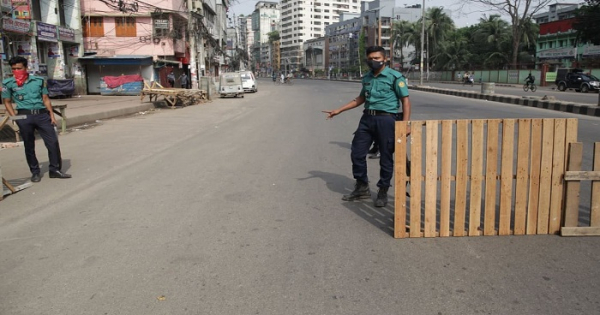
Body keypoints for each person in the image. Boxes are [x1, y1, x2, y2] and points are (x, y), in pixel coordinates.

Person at [322, 46, 411, 207]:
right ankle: (362, 186)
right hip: (367, 118)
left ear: (385, 59)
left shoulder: (395, 77)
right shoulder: (368, 77)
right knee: (356, 153)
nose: (373, 61)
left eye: (376, 58)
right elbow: (361, 98)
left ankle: (383, 190)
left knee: (385, 157)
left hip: (387, 120)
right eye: (370, 58)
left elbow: (405, 101)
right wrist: (339, 110)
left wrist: (405, 124)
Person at [2, 56, 71, 182]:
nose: (16, 71)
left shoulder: (39, 81)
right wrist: (15, 118)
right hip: (24, 116)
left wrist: (51, 115)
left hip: (42, 115)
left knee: (53, 142)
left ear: (26, 68)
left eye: (19, 68)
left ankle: (54, 169)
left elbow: (45, 99)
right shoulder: (8, 84)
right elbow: (7, 102)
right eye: (14, 69)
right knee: (29, 145)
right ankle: (35, 172)